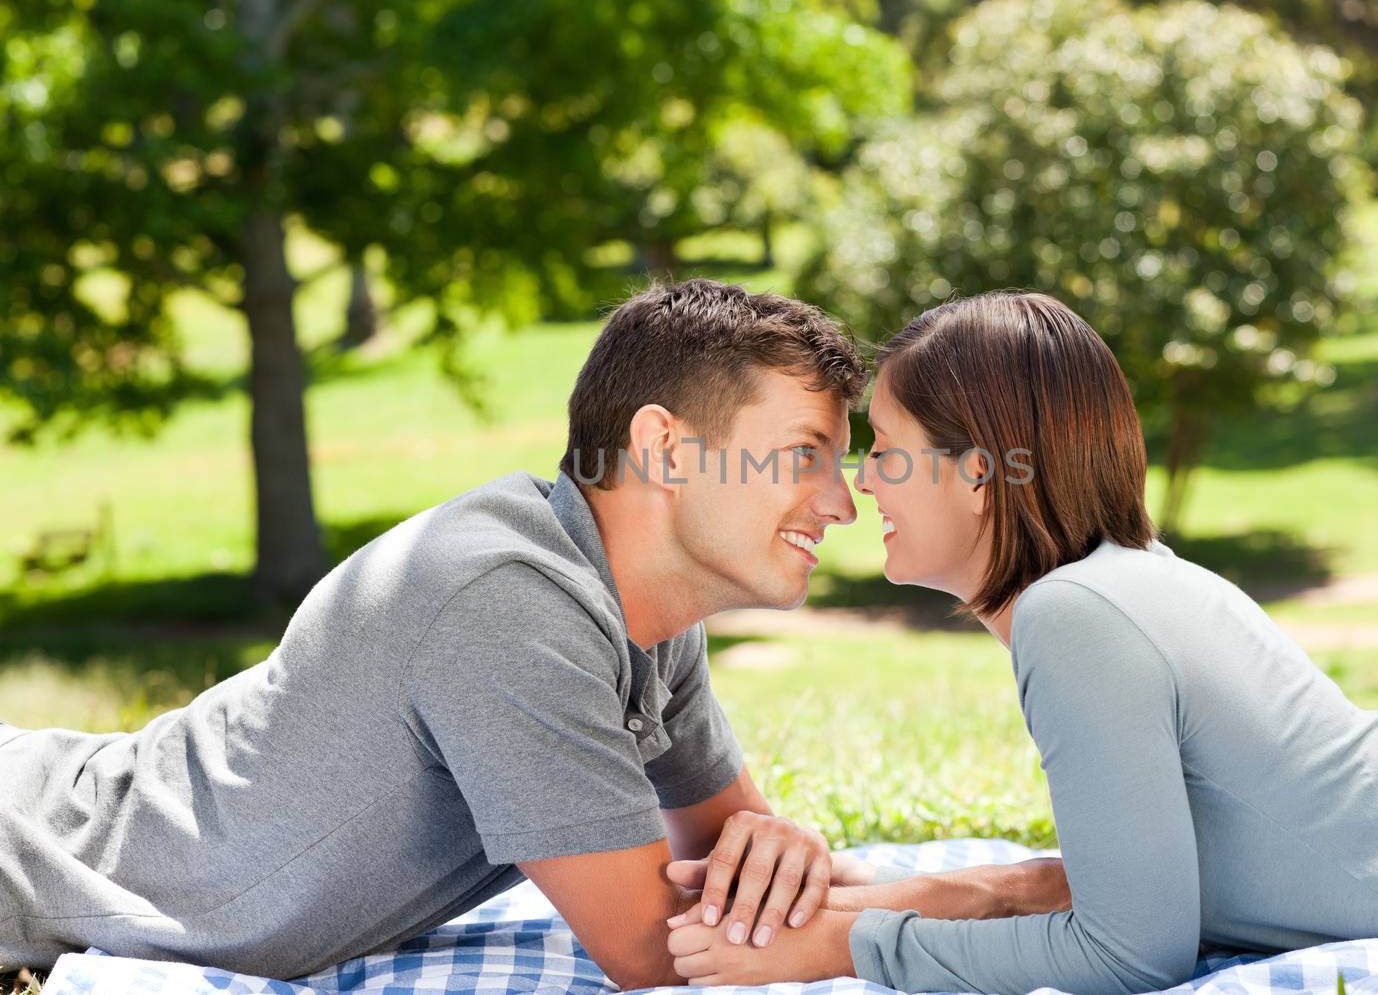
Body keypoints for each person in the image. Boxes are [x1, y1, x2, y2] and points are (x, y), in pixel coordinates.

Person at [2, 280, 1063, 985]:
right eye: (803, 454)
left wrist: (774, 846)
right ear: (667, 448)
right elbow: (655, 943)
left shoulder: (644, 612)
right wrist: (1014, 888)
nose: (839, 503)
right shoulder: (503, 598)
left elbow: (727, 869)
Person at [666, 291, 1378, 995]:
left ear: (979, 473)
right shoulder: (1115, 584)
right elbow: (1130, 886)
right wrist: (918, 894)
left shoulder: (1077, 618)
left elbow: (1126, 952)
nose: (864, 482)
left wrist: (843, 943)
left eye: (888, 445)